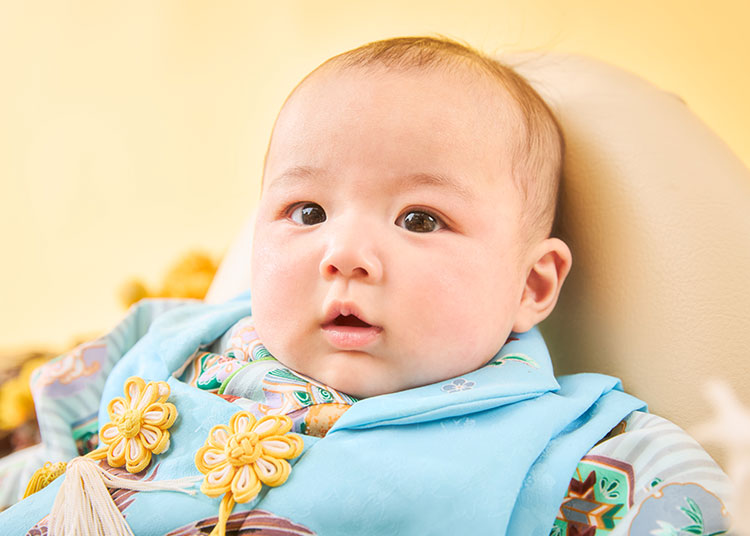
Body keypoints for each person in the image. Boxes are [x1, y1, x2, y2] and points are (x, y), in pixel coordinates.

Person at [0, 37, 732, 535]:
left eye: (419, 218)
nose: (346, 254)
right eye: (308, 212)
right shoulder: (183, 343)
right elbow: (52, 467)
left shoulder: (559, 442)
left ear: (531, 285)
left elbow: (686, 503)